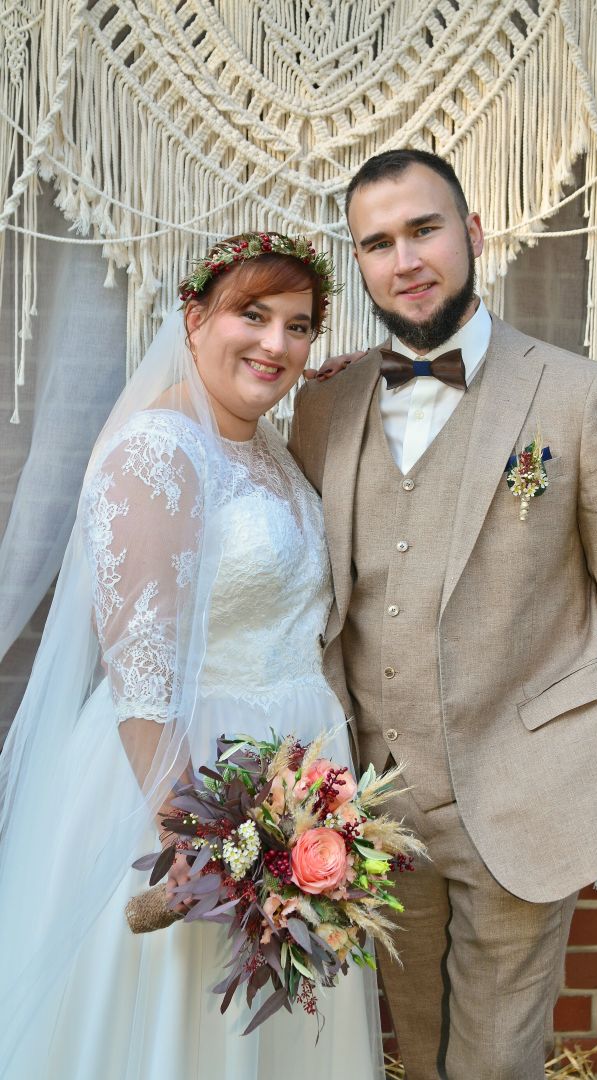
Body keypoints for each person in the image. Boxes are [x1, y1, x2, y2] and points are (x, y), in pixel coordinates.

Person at [288, 150, 597, 1080]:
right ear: (361, 266)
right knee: (413, 1054)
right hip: (374, 814)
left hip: (521, 800)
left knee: (493, 1066)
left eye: (423, 229)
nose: (405, 260)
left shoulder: (577, 396)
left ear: (471, 235)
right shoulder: (325, 404)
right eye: (377, 243)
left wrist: (590, 754)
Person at [0, 233, 384, 1080]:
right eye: (253, 316)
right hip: (189, 779)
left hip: (295, 776)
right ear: (194, 318)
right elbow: (139, 664)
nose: (276, 344)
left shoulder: (267, 449)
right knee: (184, 1027)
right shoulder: (157, 450)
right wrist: (189, 830)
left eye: (298, 325)